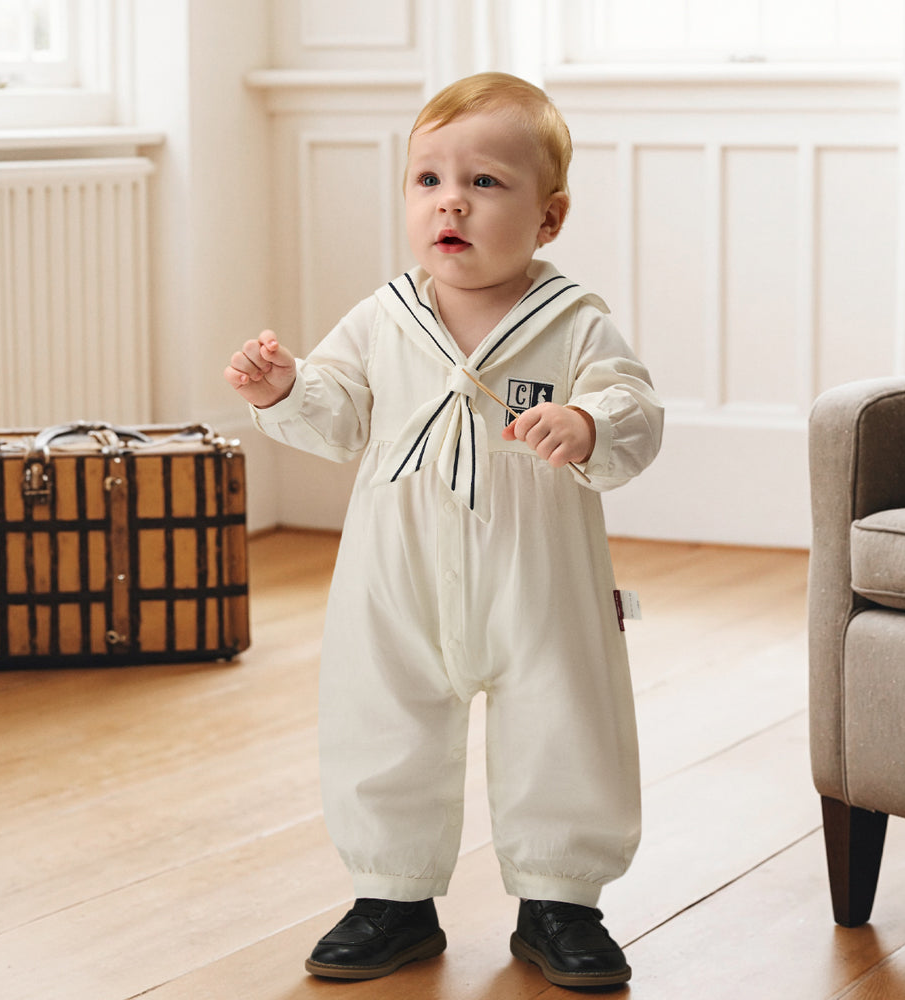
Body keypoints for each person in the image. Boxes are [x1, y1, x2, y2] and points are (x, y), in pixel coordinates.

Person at [224, 71, 664, 990]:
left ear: (549, 217)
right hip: (397, 574)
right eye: (428, 180)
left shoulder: (575, 323)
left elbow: (634, 408)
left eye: (485, 182)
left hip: (538, 576)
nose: (450, 201)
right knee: (380, 716)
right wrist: (285, 389)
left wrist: (588, 423)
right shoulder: (383, 319)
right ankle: (391, 895)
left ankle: (560, 899)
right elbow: (338, 413)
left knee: (564, 721)